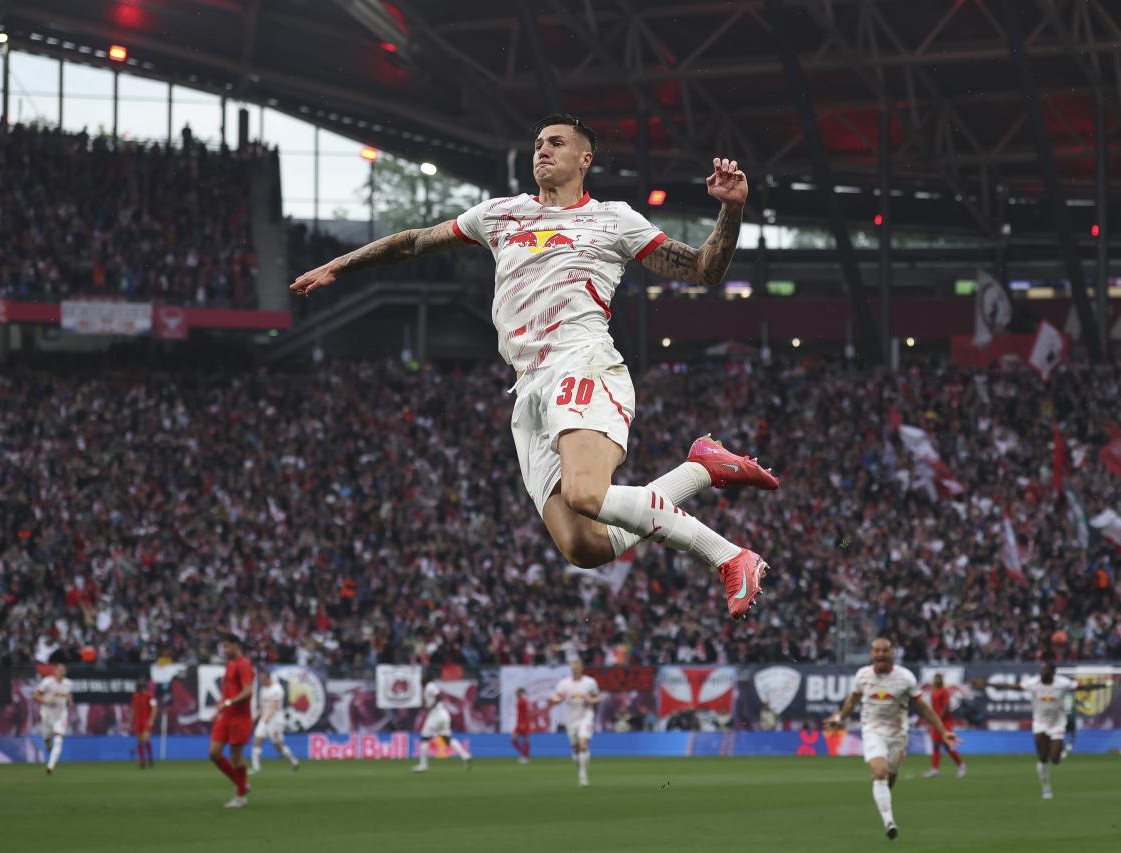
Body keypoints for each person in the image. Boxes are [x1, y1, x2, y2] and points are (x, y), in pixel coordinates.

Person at [290, 113, 779, 621]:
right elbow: (413, 241)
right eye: (539, 143)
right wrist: (337, 265)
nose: (542, 150)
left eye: (557, 143)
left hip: (582, 361)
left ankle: (730, 556)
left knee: (586, 493)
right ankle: (702, 468)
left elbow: (702, 269)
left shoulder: (615, 220)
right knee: (585, 547)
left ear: (585, 159)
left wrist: (731, 211)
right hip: (527, 387)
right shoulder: (499, 215)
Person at [825, 638, 959, 841]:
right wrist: (840, 719)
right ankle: (889, 822)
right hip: (872, 730)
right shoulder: (862, 675)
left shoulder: (905, 678)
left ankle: (881, 794)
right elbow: (852, 700)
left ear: (892, 653)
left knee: (889, 778)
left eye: (884, 651)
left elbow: (923, 708)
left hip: (898, 734)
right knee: (880, 772)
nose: (880, 654)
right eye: (876, 651)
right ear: (872, 654)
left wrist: (943, 731)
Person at [987, 663, 1107, 800]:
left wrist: (1103, 685)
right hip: (1039, 723)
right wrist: (988, 684)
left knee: (1054, 759)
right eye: (1042, 671)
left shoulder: (1062, 683)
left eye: (1045, 671)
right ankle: (1046, 787)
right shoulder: (1033, 682)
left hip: (1057, 723)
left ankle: (1057, 748)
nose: (1042, 674)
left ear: (1052, 674)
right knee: (1042, 758)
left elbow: (1083, 687)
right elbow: (1012, 687)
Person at [209, 634, 254, 808]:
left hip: (240, 717)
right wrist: (219, 708)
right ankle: (242, 785)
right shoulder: (230, 664)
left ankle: (241, 797)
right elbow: (227, 691)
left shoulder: (244, 664)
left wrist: (228, 702)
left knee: (236, 757)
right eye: (223, 647)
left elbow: (248, 691)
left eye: (227, 646)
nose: (225, 650)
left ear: (236, 646)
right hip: (226, 716)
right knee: (214, 753)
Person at [550, 659, 601, 787]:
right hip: (571, 718)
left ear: (581, 669)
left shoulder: (589, 682)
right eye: (573, 669)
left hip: (586, 715)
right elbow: (555, 698)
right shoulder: (564, 684)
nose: (575, 671)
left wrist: (591, 700)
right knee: (575, 748)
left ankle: (583, 775)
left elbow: (598, 696)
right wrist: (558, 700)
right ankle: (582, 764)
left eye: (577, 668)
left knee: (583, 744)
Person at [414, 680, 472, 773]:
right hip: (444, 715)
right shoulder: (430, 687)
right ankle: (465, 755)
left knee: (425, 738)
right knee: (447, 738)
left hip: (436, 715)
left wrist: (431, 706)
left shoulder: (430, 686)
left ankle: (423, 765)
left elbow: (438, 696)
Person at [250, 670, 299, 773]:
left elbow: (274, 706)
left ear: (268, 678)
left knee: (277, 745)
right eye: (260, 679)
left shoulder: (277, 689)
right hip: (265, 719)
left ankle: (294, 761)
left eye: (263, 679)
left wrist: (267, 718)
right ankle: (256, 768)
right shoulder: (263, 689)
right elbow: (262, 707)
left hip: (276, 720)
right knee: (257, 740)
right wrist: (254, 718)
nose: (261, 681)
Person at [33, 654, 73, 776]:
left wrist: (70, 702)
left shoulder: (68, 683)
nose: (60, 672)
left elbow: (69, 696)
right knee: (46, 738)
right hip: (47, 714)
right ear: (55, 671)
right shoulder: (47, 682)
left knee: (59, 739)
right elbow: (36, 695)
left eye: (63, 670)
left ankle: (50, 766)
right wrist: (46, 701)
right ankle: (48, 746)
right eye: (58, 669)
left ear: (65, 672)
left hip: (60, 715)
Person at [920, 673, 966, 778]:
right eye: (936, 678)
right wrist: (931, 718)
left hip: (945, 722)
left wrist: (938, 718)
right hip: (936, 721)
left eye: (940, 678)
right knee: (935, 745)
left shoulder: (944, 691)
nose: (938, 680)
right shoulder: (933, 691)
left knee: (947, 745)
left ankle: (961, 765)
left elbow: (946, 705)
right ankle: (934, 770)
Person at [131, 681, 157, 769]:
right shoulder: (135, 696)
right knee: (140, 741)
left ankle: (150, 757)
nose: (139, 690)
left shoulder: (150, 696)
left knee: (145, 738)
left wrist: (151, 719)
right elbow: (133, 708)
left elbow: (154, 708)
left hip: (146, 721)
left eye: (140, 688)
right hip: (138, 721)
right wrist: (130, 720)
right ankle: (142, 760)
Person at [512, 687, 532, 765]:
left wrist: (523, 723)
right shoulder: (521, 701)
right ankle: (525, 756)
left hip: (522, 723)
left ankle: (525, 757)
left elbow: (525, 713)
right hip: (521, 722)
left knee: (518, 739)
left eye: (518, 692)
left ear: (521, 693)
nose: (517, 694)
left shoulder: (522, 701)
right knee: (523, 740)